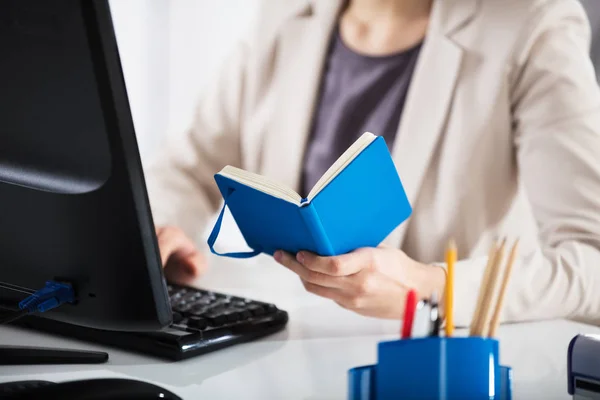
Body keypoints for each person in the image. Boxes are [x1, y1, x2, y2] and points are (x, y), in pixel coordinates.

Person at [146, 0, 600, 327]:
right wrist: (160, 237)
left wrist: (430, 287)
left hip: (437, 363)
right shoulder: (283, 14)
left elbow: (591, 262)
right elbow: (189, 166)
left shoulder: (534, 24)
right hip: (289, 348)